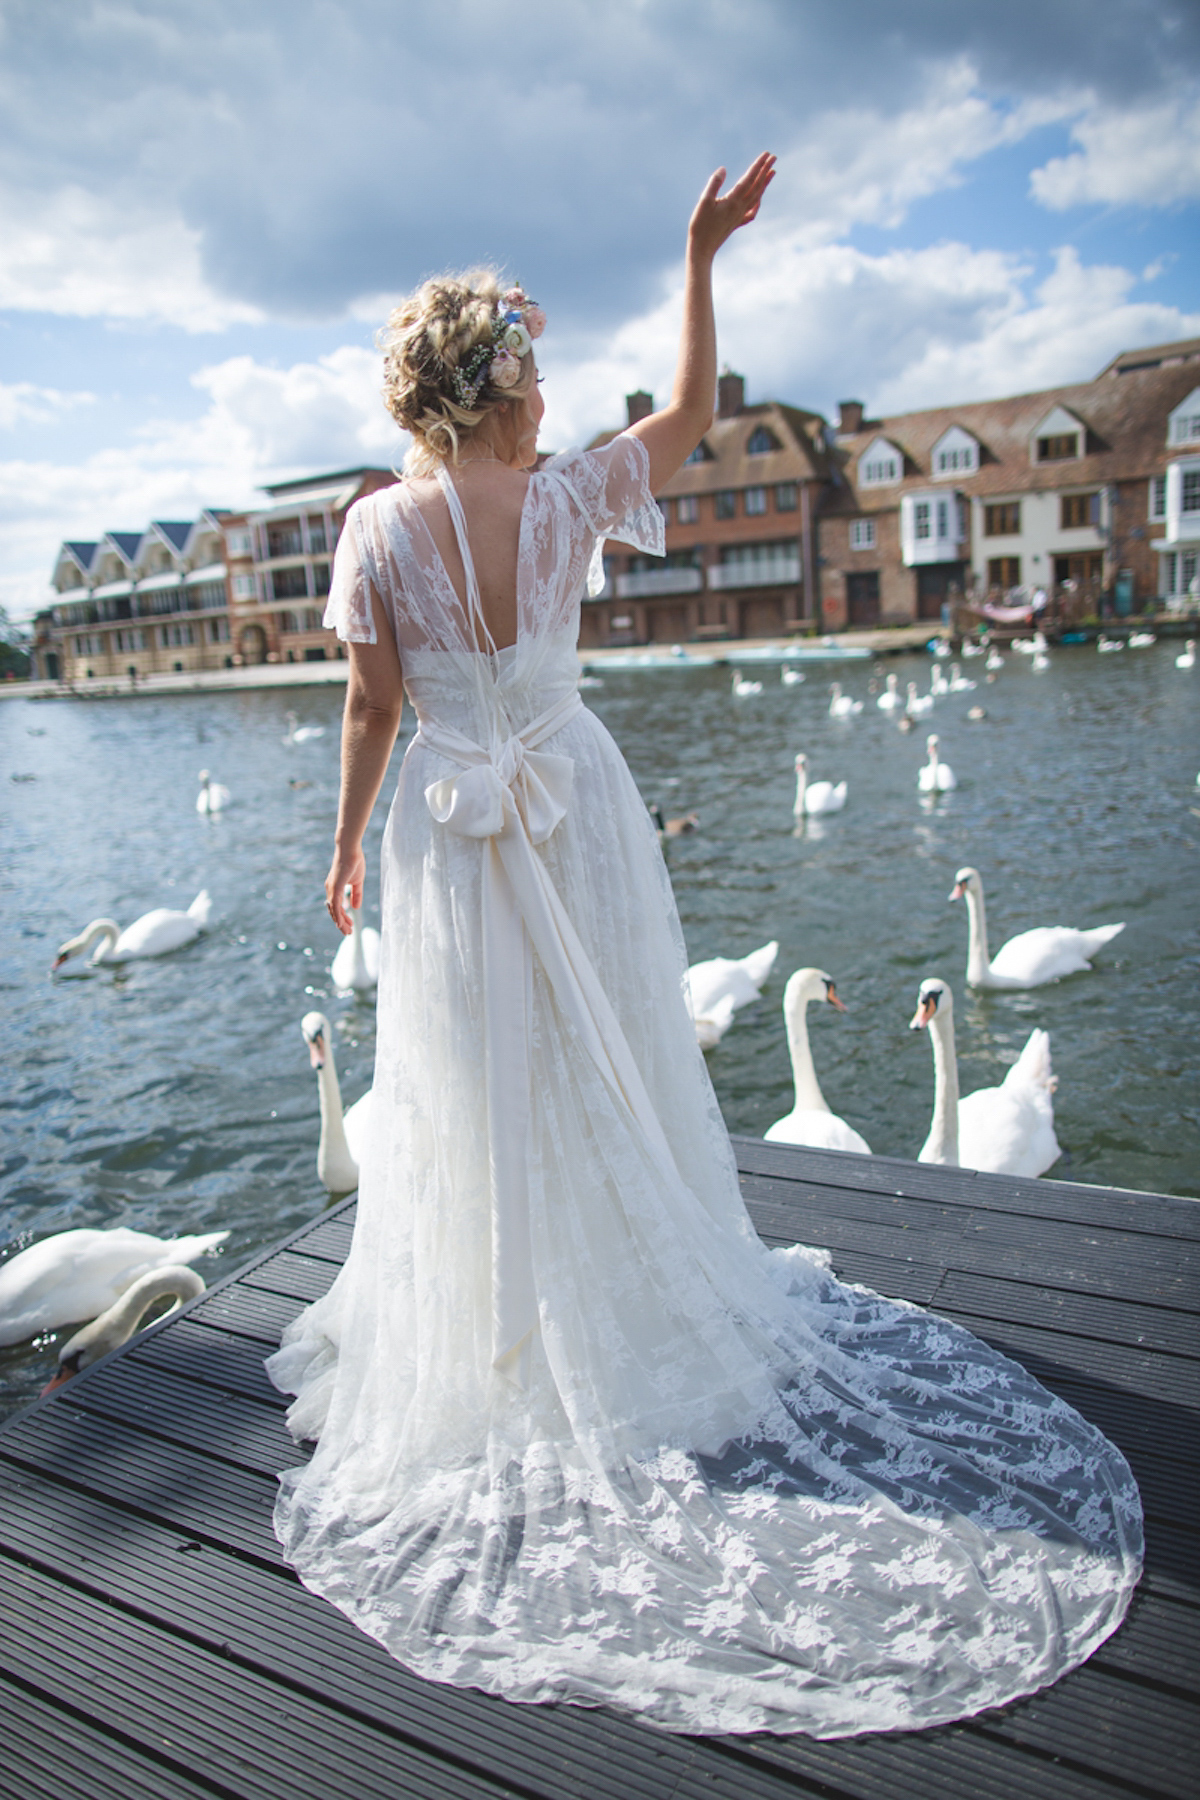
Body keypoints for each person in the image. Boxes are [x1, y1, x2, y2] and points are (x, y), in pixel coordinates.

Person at [267, 156, 1141, 1739]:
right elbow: (681, 414)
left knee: (475, 1079)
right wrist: (696, 256)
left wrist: (343, 840)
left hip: (450, 835)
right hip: (573, 808)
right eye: (529, 376)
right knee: (609, 1065)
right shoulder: (563, 499)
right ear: (491, 393)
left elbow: (372, 708)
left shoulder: (377, 528)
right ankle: (616, 1290)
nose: (546, 400)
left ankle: (511, 1323)